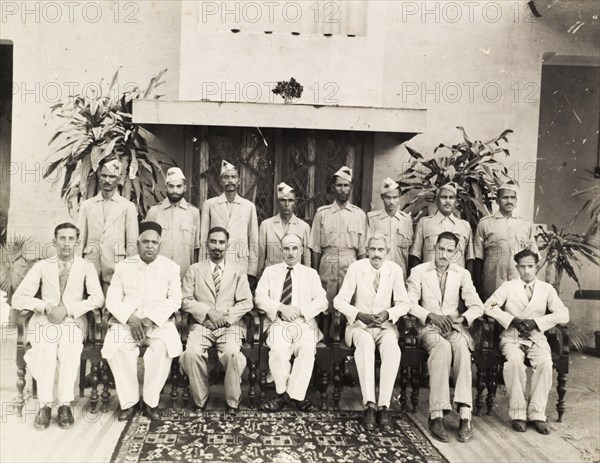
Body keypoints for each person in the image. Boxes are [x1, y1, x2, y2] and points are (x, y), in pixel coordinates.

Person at [12, 223, 104, 430]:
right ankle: (45, 405)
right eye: (62, 238)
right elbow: (19, 298)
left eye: (71, 239)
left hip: (71, 320)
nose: (67, 243)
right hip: (45, 320)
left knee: (70, 347)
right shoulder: (42, 266)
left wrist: (69, 309)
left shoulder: (86, 267)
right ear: (54, 242)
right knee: (45, 347)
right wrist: (45, 307)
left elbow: (97, 298)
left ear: (78, 242)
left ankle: (64, 405)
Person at [406, 231, 483, 443]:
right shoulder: (419, 271)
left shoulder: (462, 274)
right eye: (441, 249)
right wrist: (429, 315)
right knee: (441, 348)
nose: (443, 254)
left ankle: (465, 415)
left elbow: (477, 305)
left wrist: (461, 319)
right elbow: (408, 302)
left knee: (461, 349)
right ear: (434, 247)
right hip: (428, 328)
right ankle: (437, 414)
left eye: (449, 250)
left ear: (456, 253)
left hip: (453, 327)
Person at [102, 221, 182, 421]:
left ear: (159, 245)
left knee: (162, 347)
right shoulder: (123, 267)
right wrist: (130, 317)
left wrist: (151, 320)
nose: (149, 246)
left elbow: (175, 300)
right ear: (138, 244)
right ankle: (129, 402)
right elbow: (111, 299)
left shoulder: (170, 267)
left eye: (154, 242)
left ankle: (150, 402)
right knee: (118, 346)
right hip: (128, 322)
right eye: (145, 241)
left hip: (159, 324)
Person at [484, 249, 569, 434]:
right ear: (517, 267)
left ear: (536, 266)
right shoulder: (509, 286)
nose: (527, 271)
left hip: (536, 337)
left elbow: (563, 314)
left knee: (545, 363)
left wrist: (537, 323)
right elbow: (488, 306)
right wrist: (511, 320)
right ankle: (518, 413)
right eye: (522, 266)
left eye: (530, 266)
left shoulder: (547, 289)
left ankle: (537, 413)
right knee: (514, 363)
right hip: (512, 336)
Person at [333, 234, 411, 431]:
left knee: (392, 347)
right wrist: (359, 314)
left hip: (384, 327)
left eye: (381, 250)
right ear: (366, 250)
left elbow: (404, 303)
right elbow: (339, 301)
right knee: (366, 344)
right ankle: (369, 405)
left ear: (387, 252)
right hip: (360, 327)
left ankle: (383, 406)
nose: (376, 254)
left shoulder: (394, 270)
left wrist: (388, 313)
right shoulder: (356, 268)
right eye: (373, 249)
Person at [179, 226, 253, 412]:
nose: (217, 246)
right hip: (202, 324)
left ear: (227, 245)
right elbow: (184, 300)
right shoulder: (195, 269)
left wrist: (224, 318)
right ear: (206, 245)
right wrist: (207, 312)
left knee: (232, 353)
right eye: (213, 241)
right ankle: (201, 399)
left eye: (221, 242)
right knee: (191, 353)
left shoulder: (238, 271)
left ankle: (232, 401)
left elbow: (246, 302)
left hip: (230, 326)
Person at [255, 233, 328, 412]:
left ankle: (288, 397)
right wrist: (281, 307)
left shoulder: (311, 274)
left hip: (304, 322)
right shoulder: (270, 272)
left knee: (307, 348)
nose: (291, 252)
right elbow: (259, 298)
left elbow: (322, 301)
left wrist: (301, 311)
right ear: (281, 250)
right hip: (279, 322)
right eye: (286, 248)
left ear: (301, 250)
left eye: (295, 248)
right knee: (278, 349)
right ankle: (289, 395)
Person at [77, 158, 138, 293]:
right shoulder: (87, 205)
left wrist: (131, 269)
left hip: (116, 263)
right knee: (91, 301)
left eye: (111, 176)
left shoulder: (128, 206)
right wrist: (77, 264)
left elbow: (132, 242)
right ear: (99, 177)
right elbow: (79, 239)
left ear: (118, 179)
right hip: (91, 261)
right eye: (104, 176)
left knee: (112, 303)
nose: (107, 180)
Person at [474, 181, 538, 299]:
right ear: (497, 200)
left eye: (512, 197)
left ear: (516, 200)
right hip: (492, 285)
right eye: (505, 197)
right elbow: (478, 258)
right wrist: (478, 288)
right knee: (492, 315)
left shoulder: (525, 225)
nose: (509, 201)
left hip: (518, 284)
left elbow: (533, 256)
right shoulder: (485, 224)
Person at [200, 160, 259, 288]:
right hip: (215, 259)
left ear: (239, 180)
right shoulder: (210, 204)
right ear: (221, 181)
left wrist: (252, 271)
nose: (230, 180)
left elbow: (253, 240)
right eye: (226, 177)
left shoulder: (248, 207)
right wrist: (202, 264)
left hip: (240, 262)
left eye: (233, 177)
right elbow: (204, 237)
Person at [145, 166, 200, 279]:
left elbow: (196, 248)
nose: (175, 190)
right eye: (171, 186)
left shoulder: (193, 213)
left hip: (184, 275)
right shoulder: (154, 211)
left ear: (185, 188)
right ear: (166, 187)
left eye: (178, 186)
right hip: (157, 274)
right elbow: (145, 245)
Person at [409, 182, 473, 271]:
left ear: (456, 202)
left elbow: (469, 259)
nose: (447, 201)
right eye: (443, 197)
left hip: (456, 279)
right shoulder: (424, 223)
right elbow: (416, 255)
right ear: (437, 200)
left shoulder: (465, 226)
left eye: (451, 197)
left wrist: (467, 283)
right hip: (429, 278)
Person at [257, 182, 311, 276]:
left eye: (290, 200)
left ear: (295, 203)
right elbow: (261, 256)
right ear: (278, 202)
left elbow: (307, 259)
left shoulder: (304, 227)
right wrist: (259, 276)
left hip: (295, 276)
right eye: (283, 200)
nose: (287, 204)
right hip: (272, 275)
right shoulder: (266, 225)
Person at [367, 177, 413, 279]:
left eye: (395, 197)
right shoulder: (372, 219)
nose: (392, 202)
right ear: (382, 197)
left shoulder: (406, 220)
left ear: (399, 197)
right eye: (388, 197)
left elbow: (409, 253)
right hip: (377, 275)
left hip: (400, 275)